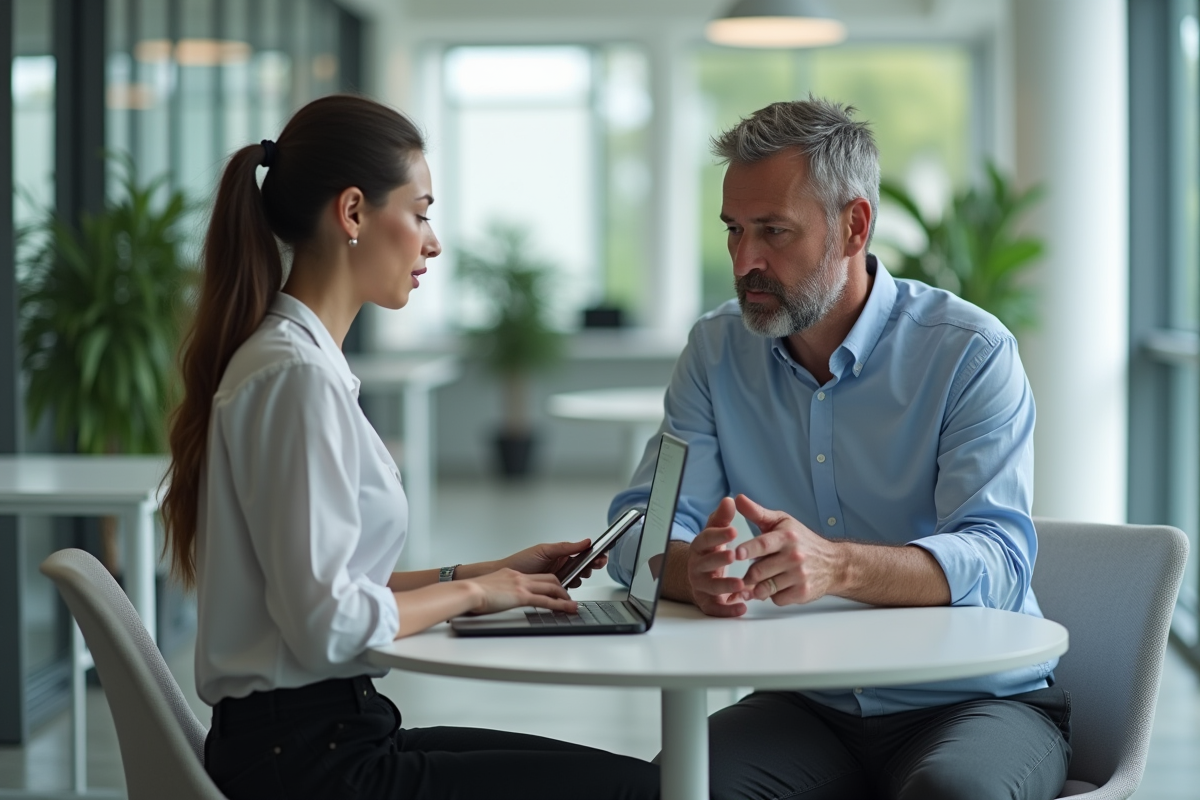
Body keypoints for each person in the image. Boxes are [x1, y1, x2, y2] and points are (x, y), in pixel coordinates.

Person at [161, 94, 659, 800]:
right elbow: (327, 626)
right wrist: (472, 593)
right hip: (311, 768)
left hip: (325, 740)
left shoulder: (297, 364)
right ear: (354, 212)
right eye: (421, 212)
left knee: (639, 781)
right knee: (641, 791)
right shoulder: (293, 378)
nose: (434, 242)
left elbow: (325, 591)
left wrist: (493, 573)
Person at [606, 97, 1070, 800]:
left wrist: (836, 567)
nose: (745, 260)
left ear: (854, 226)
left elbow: (1000, 561)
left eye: (773, 231)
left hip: (973, 701)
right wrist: (686, 569)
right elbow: (637, 533)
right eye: (733, 230)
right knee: (670, 790)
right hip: (806, 702)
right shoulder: (714, 351)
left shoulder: (968, 352)